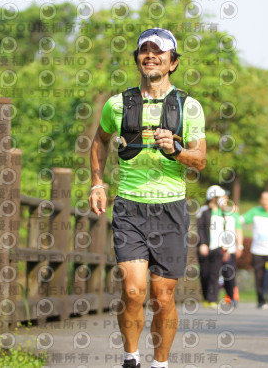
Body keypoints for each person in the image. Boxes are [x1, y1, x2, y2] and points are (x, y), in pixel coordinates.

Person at [88, 28, 206, 368]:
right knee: (133, 290)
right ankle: (130, 358)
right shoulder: (118, 104)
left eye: (159, 51)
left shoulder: (188, 106)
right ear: (138, 59)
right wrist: (97, 183)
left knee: (163, 296)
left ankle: (160, 363)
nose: (150, 55)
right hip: (130, 207)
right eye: (145, 50)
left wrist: (176, 150)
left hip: (171, 209)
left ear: (173, 62)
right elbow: (100, 140)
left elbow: (200, 160)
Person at [196, 185, 243, 308]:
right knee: (205, 274)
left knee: (215, 274)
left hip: (219, 248)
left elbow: (226, 231)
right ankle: (207, 298)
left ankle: (213, 299)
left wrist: (226, 248)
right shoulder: (204, 211)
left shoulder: (224, 212)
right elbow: (200, 228)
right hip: (206, 247)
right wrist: (202, 244)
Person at [240, 191, 268, 309]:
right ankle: (261, 300)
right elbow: (240, 220)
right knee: (259, 276)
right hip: (258, 250)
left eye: (267, 199)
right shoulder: (255, 212)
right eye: (263, 199)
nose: (265, 201)